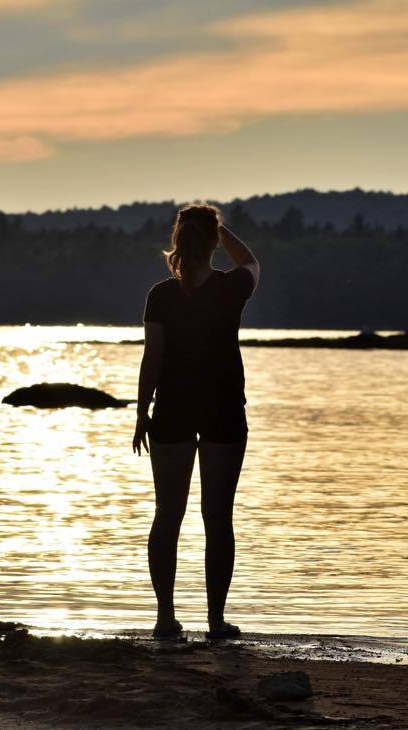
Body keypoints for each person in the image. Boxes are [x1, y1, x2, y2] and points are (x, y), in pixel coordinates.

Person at [132, 202, 259, 641]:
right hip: (223, 409)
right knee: (217, 517)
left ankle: (165, 619)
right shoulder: (231, 286)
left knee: (167, 515)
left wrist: (141, 412)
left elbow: (152, 359)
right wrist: (220, 230)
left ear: (178, 242)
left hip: (172, 410)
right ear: (212, 243)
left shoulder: (161, 295)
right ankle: (216, 622)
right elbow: (252, 262)